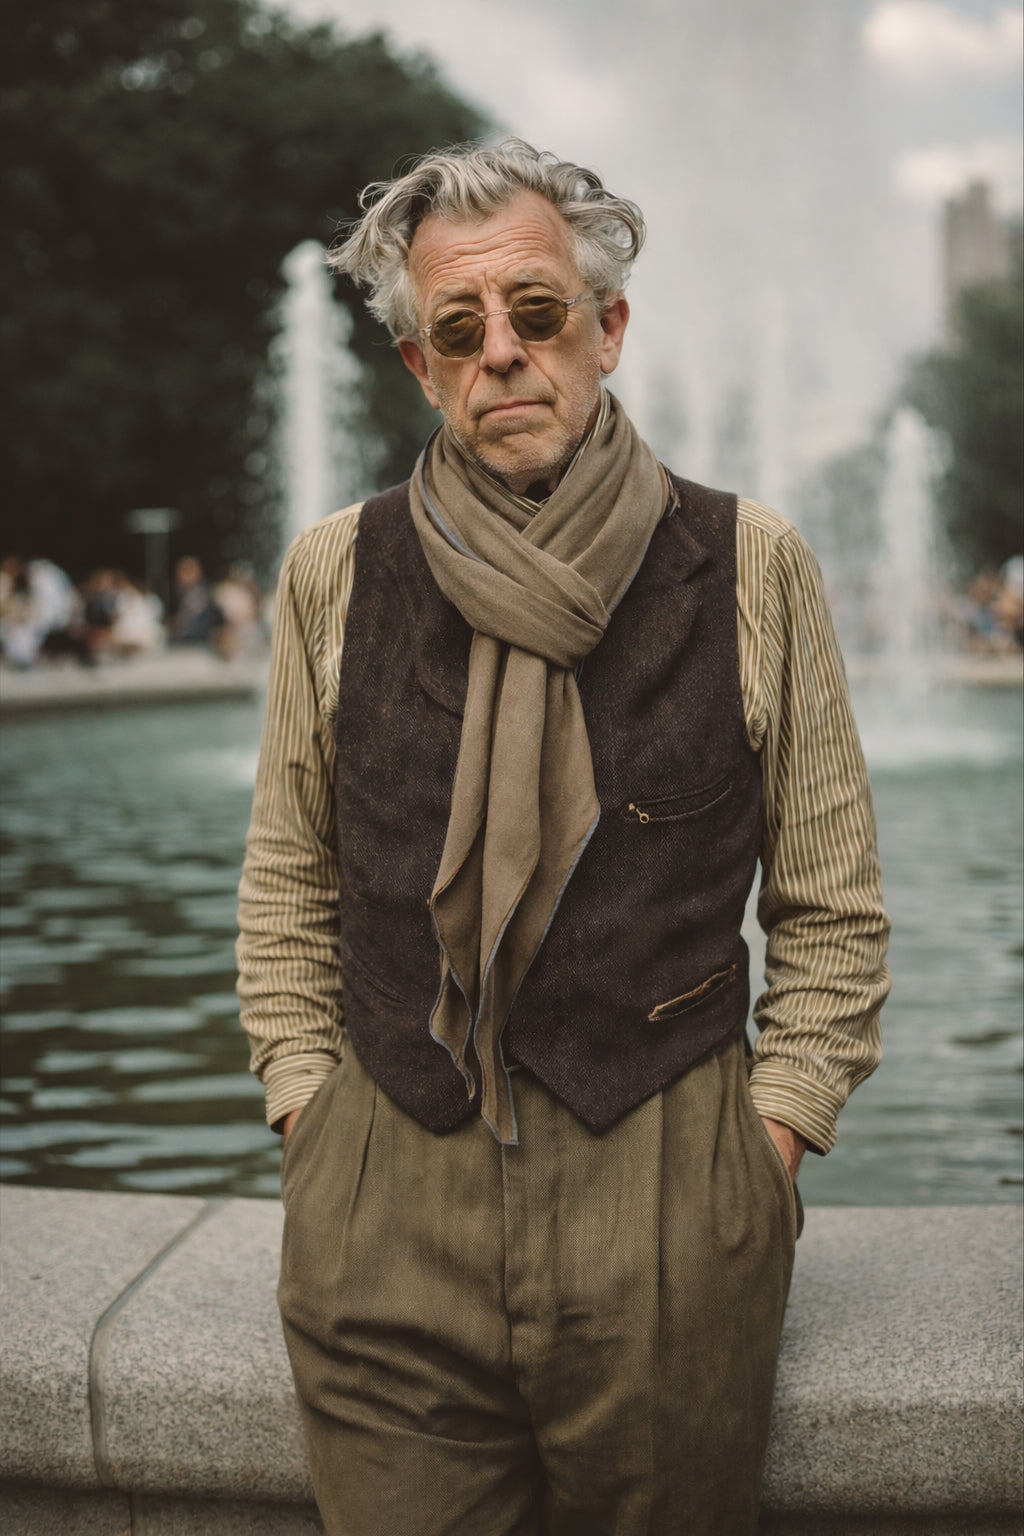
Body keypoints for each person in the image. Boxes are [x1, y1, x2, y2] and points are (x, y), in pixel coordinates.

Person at [237, 140, 890, 1536]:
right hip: (384, 1186)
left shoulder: (753, 562)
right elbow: (289, 879)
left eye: (536, 312)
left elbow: (831, 907)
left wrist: (765, 1147)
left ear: (608, 328)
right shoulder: (336, 569)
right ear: (421, 369)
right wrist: (313, 1118)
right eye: (458, 329)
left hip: (669, 1187)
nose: (502, 353)